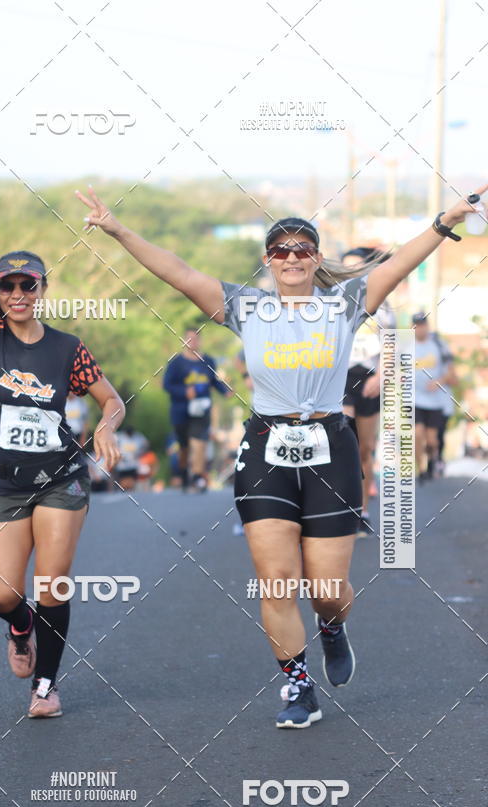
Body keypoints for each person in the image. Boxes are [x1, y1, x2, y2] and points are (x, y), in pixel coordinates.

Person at [76, 182, 486, 728]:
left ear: (315, 259)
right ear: (268, 260)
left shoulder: (345, 303)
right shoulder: (246, 307)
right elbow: (175, 271)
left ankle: (333, 628)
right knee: (275, 579)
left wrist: (445, 220)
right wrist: (118, 229)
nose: (291, 257)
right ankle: (297, 686)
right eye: (280, 249)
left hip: (330, 448)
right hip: (266, 446)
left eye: (302, 249)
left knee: (327, 589)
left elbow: (403, 262)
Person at [0, 148, 124, 718]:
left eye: (29, 284)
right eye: (8, 286)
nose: (18, 293)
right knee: (2, 593)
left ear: (43, 289)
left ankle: (46, 687)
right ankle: (21, 626)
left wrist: (107, 424)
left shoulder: (67, 349)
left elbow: (112, 398)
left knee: (53, 583)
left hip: (59, 477)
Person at [341, 248, 397, 537]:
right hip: (340, 378)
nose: (351, 272)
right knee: (345, 442)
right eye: (345, 267)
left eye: (356, 268)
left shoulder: (381, 305)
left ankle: (362, 512)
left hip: (369, 379)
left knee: (364, 449)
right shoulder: (332, 301)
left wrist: (382, 374)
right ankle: (340, 509)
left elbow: (390, 345)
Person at [163, 327, 232, 492]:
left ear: (200, 341)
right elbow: (167, 385)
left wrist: (225, 391)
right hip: (181, 410)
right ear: (184, 341)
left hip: (202, 409)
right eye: (189, 339)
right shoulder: (176, 363)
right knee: (184, 447)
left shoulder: (208, 361)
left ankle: (198, 476)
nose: (192, 342)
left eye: (195, 339)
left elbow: (213, 381)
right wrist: (184, 392)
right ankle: (184, 473)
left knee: (199, 442)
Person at [412, 312, 457, 482]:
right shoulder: (407, 345)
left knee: (432, 440)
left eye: (423, 324)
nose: (420, 328)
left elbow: (451, 372)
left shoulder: (438, 344)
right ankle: (421, 469)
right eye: (417, 325)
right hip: (415, 399)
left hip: (435, 401)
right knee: (417, 434)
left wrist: (439, 381)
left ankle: (432, 460)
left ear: (427, 326)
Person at [113, 425, 149, 491]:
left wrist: (140, 453)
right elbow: (112, 445)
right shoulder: (119, 437)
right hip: (122, 465)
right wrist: (117, 455)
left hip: (133, 464)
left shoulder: (138, 436)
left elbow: (146, 444)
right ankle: (122, 491)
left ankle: (131, 492)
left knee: (132, 482)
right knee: (123, 483)